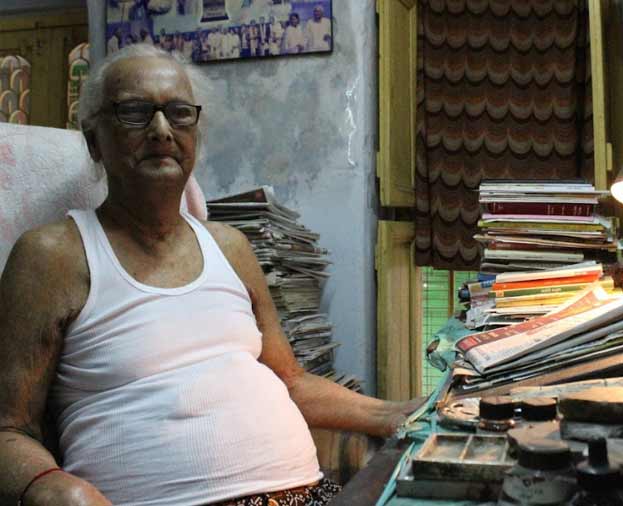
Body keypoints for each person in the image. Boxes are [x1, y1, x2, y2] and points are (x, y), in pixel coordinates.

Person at [0, 44, 418, 506]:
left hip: (309, 495)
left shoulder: (229, 246)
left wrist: (397, 413)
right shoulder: (52, 256)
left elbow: (291, 381)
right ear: (95, 140)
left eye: (179, 114)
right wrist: (48, 484)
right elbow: (8, 428)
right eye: (135, 112)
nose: (162, 130)